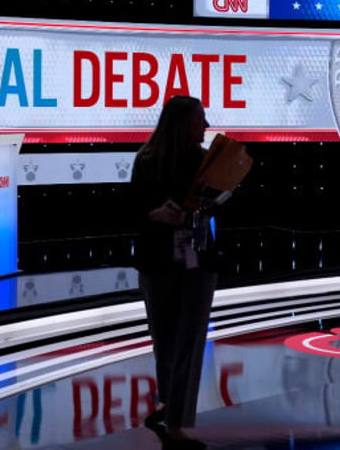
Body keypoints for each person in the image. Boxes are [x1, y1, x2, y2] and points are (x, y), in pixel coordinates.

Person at [130, 95, 217, 449]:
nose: (206, 125)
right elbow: (132, 210)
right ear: (182, 123)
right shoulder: (146, 161)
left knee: (188, 343)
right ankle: (168, 402)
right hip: (157, 261)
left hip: (197, 261)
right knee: (165, 340)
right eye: (200, 118)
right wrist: (156, 215)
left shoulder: (207, 162)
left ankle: (178, 421)